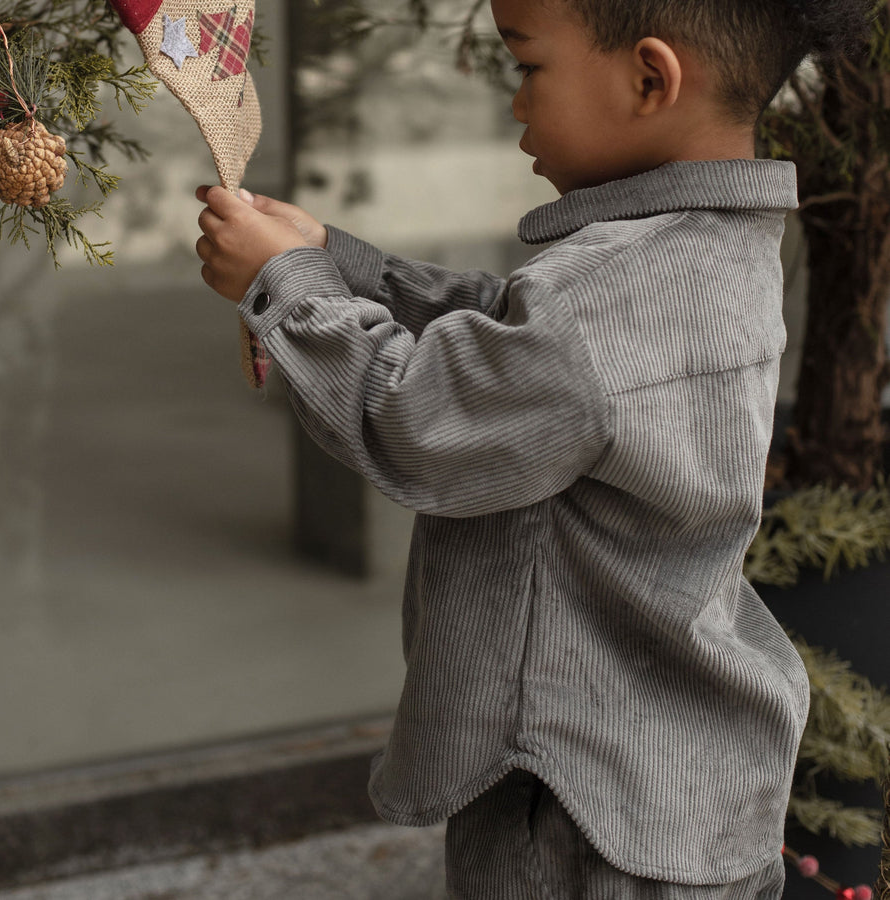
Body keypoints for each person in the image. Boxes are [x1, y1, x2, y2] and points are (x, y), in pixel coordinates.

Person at [195, 0, 869, 895]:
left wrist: (288, 286)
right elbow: (512, 336)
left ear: (649, 79)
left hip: (576, 800)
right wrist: (339, 261)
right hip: (670, 781)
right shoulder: (702, 248)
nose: (513, 103)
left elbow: (418, 423)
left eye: (528, 67)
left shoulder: (616, 293)